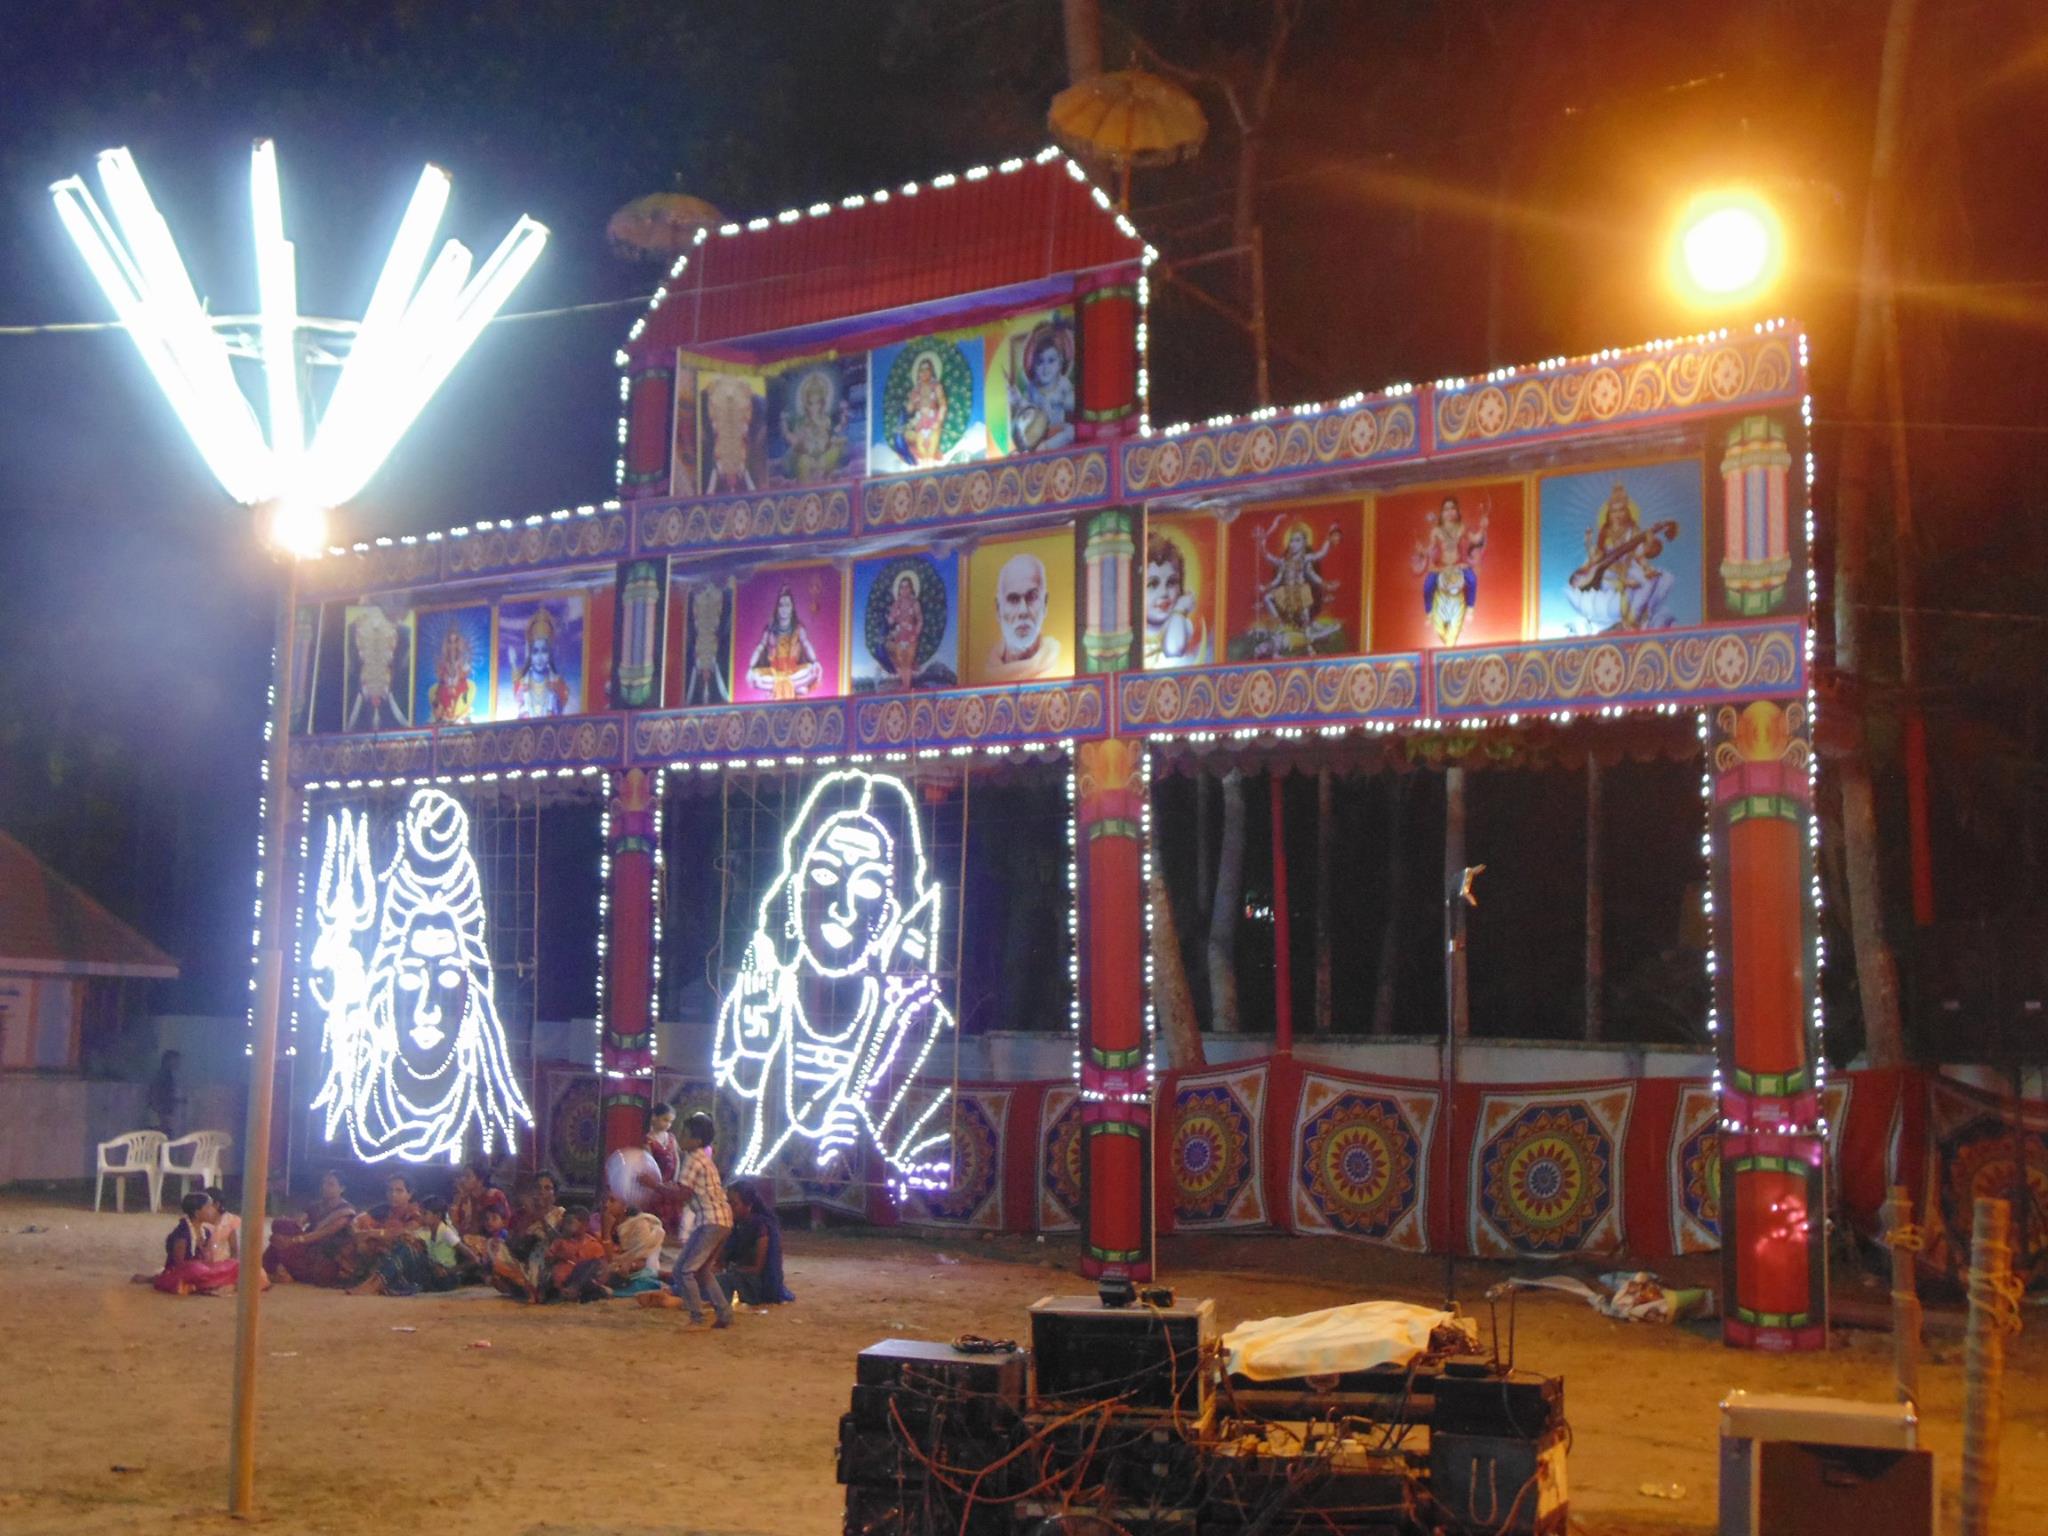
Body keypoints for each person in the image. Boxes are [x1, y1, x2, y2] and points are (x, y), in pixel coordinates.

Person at [713, 767, 954, 1181]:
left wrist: (872, 1149)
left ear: (892, 912)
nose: (843, 906)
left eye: (869, 887)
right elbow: (729, 1131)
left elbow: (933, 1166)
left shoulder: (919, 1022)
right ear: (793, 890)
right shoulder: (759, 1002)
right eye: (825, 875)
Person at [308, 788, 534, 1164]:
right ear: (384, 984)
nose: (428, 1008)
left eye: (447, 977)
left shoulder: (481, 1104)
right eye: (411, 976)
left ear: (474, 993)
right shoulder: (358, 1076)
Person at [637, 1111, 734, 1328]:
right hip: (721, 1219)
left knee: (684, 1269)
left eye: (685, 1133)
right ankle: (723, 1313)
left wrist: (653, 1185)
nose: (680, 1136)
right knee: (701, 1270)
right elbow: (682, 1191)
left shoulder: (692, 1159)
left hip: (710, 1220)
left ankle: (697, 1318)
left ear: (696, 1140)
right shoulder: (702, 1158)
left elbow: (682, 1195)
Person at [351, 1196, 466, 1297]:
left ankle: (374, 1285)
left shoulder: (447, 1233)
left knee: (406, 1250)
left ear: (437, 1215)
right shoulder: (427, 1231)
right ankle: (372, 1283)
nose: (421, 1217)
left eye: (425, 1213)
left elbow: (473, 1260)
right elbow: (412, 1239)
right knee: (404, 1244)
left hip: (447, 1279)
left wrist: (450, 1270)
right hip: (433, 1271)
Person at [1412, 496, 1487, 647]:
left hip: (1458, 564)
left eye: (1452, 508)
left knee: (1472, 579)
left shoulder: (1462, 528)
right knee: (1428, 585)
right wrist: (1421, 549)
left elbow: (1476, 539)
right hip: (1442, 565)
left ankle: (1470, 608)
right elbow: (1429, 548)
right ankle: (1429, 613)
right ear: (1441, 513)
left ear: (1457, 511)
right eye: (1446, 509)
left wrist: (1483, 526)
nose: (1449, 512)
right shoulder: (1436, 531)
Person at [264, 1170, 358, 1286]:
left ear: (342, 1189)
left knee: (282, 1240)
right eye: (324, 1183)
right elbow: (299, 1223)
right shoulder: (317, 1206)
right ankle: (275, 1272)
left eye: (331, 1184)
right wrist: (291, 1225)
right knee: (281, 1225)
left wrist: (293, 1240)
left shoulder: (345, 1211)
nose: (325, 1187)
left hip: (326, 1256)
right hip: (309, 1247)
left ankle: (272, 1271)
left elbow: (324, 1233)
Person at [982, 552, 1063, 682]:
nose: (1023, 611)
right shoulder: (987, 673)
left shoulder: (1058, 664)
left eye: (1031, 597)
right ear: (998, 609)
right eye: (1013, 599)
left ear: (1045, 604)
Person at [719, 1180, 794, 1307]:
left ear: (749, 1205)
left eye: (734, 1204)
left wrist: (731, 1269)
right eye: (728, 1203)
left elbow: (757, 1269)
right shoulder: (738, 1225)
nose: (729, 1208)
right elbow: (721, 1260)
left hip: (759, 1286)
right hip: (740, 1277)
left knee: (718, 1281)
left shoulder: (761, 1227)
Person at [154, 1191, 242, 1296]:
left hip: (202, 1272)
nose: (214, 1210)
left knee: (235, 1265)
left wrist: (207, 1261)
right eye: (209, 1207)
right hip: (182, 1274)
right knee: (195, 1269)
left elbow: (208, 1262)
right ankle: (215, 1284)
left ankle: (212, 1284)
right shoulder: (182, 1233)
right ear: (197, 1213)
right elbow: (179, 1266)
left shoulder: (206, 1232)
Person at [1006, 320, 1076, 453]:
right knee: (1021, 446)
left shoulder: (1063, 384)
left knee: (1070, 430)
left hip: (1055, 430)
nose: (1045, 368)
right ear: (1033, 365)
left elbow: (1072, 404)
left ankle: (1045, 448)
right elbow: (1027, 408)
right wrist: (1016, 398)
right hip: (1037, 433)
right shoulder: (1033, 388)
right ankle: (1038, 449)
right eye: (1040, 362)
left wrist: (1064, 402)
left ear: (1061, 362)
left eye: (1051, 361)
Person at [1142, 532, 1209, 668]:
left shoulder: (1182, 623)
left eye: (1171, 582)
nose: (1164, 593)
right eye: (1152, 584)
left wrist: (1178, 610)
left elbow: (1173, 650)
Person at [745, 586, 823, 700]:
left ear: (792, 608)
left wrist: (816, 662)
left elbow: (806, 644)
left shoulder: (798, 628)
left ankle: (782, 688)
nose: (784, 609)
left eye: (787, 605)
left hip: (793, 672)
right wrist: (751, 667)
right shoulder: (770, 630)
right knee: (755, 678)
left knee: (811, 671)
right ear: (777, 608)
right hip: (774, 672)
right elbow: (760, 647)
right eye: (781, 605)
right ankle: (795, 688)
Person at [512, 607, 572, 718]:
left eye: (544, 651)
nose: (539, 657)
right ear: (530, 655)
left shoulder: (559, 684)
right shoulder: (522, 684)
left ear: (550, 653)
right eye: (535, 651)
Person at [544, 1205, 612, 1303]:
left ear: (585, 1225)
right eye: (565, 1222)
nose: (566, 1226)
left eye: (570, 1222)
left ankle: (575, 1290)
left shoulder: (593, 1245)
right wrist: (558, 1256)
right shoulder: (560, 1242)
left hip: (582, 1281)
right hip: (562, 1280)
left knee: (592, 1264)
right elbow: (548, 1259)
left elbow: (602, 1268)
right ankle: (568, 1292)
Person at [602, 1196, 666, 1297]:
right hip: (612, 1269)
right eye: (605, 1200)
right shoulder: (599, 1220)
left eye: (612, 1201)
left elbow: (640, 1258)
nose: (606, 1205)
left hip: (640, 1272)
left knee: (646, 1280)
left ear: (625, 1205)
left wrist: (606, 1231)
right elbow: (606, 1257)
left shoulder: (639, 1224)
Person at [643, 1103, 687, 1240]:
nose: (668, 1124)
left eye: (670, 1122)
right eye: (665, 1120)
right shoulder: (647, 1140)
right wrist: (658, 1185)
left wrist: (676, 1179)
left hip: (671, 1185)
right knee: (657, 1221)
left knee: (674, 1220)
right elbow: (649, 1164)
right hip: (657, 1186)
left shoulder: (671, 1138)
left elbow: (677, 1159)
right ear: (654, 1118)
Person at [902, 353, 947, 465]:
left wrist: (938, 421)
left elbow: (943, 405)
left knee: (931, 449)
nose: (923, 373)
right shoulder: (916, 389)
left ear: (931, 371)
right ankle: (925, 467)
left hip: (933, 420)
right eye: (921, 370)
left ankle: (931, 465)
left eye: (926, 370)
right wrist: (912, 402)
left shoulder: (936, 386)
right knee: (921, 448)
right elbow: (909, 409)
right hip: (921, 422)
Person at [450, 1161, 512, 1240]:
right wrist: (458, 1199)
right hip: (467, 1244)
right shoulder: (462, 1198)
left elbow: (506, 1220)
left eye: (467, 1176)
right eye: (462, 1176)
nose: (462, 1180)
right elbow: (454, 1226)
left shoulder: (494, 1195)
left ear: (480, 1181)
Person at [429, 622, 476, 723]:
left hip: (459, 687)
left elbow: (465, 672)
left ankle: (459, 717)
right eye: (450, 642)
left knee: (463, 692)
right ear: (446, 644)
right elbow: (440, 673)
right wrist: (446, 678)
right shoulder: (442, 660)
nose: (453, 645)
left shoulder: (463, 659)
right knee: (440, 693)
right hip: (445, 688)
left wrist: (458, 674)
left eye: (455, 641)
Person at [885, 572, 924, 690]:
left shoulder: (915, 603)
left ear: (911, 589)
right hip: (899, 636)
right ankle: (905, 685)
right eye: (901, 587)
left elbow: (920, 621)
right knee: (898, 659)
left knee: (907, 661)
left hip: (910, 636)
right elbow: (891, 621)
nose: (904, 590)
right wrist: (891, 617)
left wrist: (915, 634)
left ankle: (906, 686)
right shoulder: (897, 604)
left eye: (906, 587)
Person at [145, 1050, 183, 1137]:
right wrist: (162, 1114)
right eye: (176, 1060)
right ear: (169, 1060)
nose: (178, 1063)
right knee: (160, 1138)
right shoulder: (163, 1075)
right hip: (160, 1113)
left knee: (161, 1137)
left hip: (161, 1112)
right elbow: (155, 1094)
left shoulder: (167, 1075)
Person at [201, 1187, 242, 1262]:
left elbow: (234, 1248)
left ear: (216, 1204)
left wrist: (231, 1265)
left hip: (224, 1264)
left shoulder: (228, 1220)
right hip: (204, 1265)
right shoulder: (201, 1219)